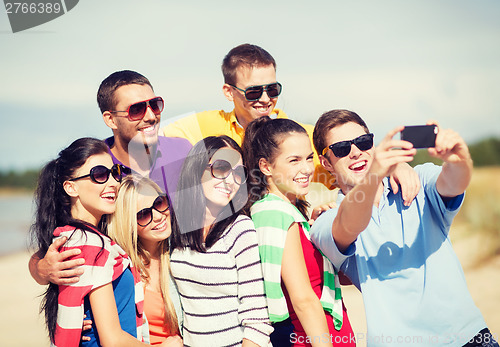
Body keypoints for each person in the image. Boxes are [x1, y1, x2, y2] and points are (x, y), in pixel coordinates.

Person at [310, 109, 498, 347]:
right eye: (341, 149)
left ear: (373, 145)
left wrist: (459, 160)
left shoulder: (419, 178)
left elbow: (453, 182)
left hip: (467, 338)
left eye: (363, 142)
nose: (356, 152)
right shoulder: (327, 220)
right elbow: (349, 224)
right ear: (326, 162)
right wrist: (375, 176)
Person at [29, 70, 192, 286]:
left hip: (177, 289)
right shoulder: (94, 169)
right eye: (136, 109)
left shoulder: (183, 152)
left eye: (155, 104)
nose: (151, 115)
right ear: (110, 119)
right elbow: (51, 245)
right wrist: (42, 270)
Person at [29, 137, 171, 346]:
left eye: (114, 173)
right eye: (99, 175)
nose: (113, 183)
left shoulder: (71, 235)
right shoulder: (91, 243)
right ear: (71, 188)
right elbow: (112, 340)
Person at [242, 117, 355, 347]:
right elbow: (303, 300)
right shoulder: (276, 213)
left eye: (309, 158)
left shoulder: (288, 212)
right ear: (266, 167)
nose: (306, 169)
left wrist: (312, 233)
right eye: (294, 160)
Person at [161, 43, 335, 188]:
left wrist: (329, 210)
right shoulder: (206, 125)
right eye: (254, 92)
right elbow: (155, 140)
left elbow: (348, 180)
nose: (266, 99)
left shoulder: (305, 136)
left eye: (273, 89)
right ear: (229, 92)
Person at [169, 135, 273, 346]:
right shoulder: (177, 225)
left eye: (238, 173)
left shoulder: (240, 229)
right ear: (197, 169)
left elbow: (257, 319)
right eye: (221, 168)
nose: (230, 180)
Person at [106, 175, 183, 346]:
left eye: (159, 203)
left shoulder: (182, 256)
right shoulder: (120, 271)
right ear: (129, 223)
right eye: (143, 214)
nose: (158, 216)